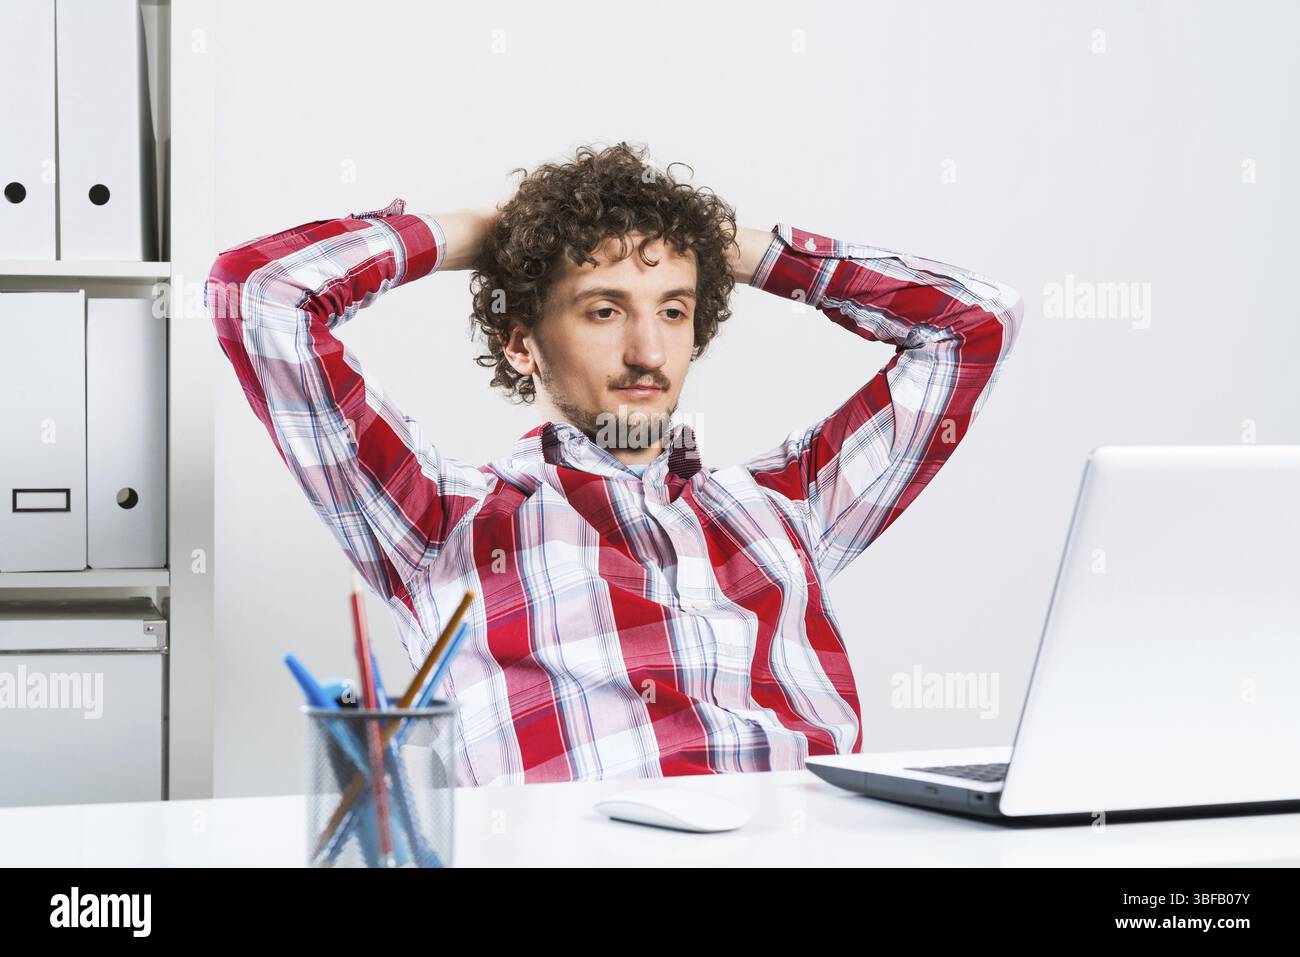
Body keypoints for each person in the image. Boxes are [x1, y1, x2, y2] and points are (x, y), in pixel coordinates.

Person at [205, 141, 1024, 786]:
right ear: (520, 340)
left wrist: (725, 247)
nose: (647, 350)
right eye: (605, 310)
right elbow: (258, 293)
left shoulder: (784, 506)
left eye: (674, 310)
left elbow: (974, 325)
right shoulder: (439, 521)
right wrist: (479, 234)